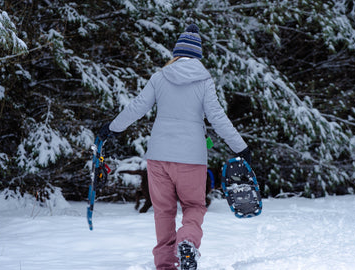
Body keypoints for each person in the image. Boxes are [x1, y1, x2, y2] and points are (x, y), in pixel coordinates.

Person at [98, 24, 251, 270]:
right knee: (194, 206)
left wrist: (113, 128)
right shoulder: (204, 80)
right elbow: (217, 117)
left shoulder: (160, 77)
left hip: (158, 156)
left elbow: (137, 107)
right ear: (198, 55)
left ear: (175, 53)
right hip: (191, 158)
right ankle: (188, 242)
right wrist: (240, 147)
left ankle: (165, 264)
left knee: (163, 211)